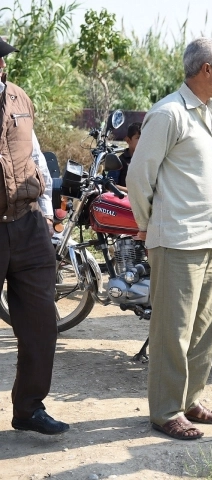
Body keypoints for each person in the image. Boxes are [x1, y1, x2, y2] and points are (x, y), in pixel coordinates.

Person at [127, 37, 212, 441]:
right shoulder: (169, 113)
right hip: (177, 239)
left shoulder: (208, 113)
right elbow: (139, 177)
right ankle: (165, 411)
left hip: (209, 238)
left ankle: (191, 399)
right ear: (206, 69)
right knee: (173, 330)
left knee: (206, 326)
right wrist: (151, 224)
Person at [0, 37, 68, 435]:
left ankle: (28, 409)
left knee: (42, 323)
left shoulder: (20, 100)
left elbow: (36, 156)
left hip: (28, 225)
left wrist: (45, 216)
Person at [108, 122, 141, 193]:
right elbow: (110, 186)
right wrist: (134, 193)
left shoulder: (148, 161)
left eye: (144, 137)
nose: (142, 141)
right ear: (128, 140)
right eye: (138, 138)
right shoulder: (119, 161)